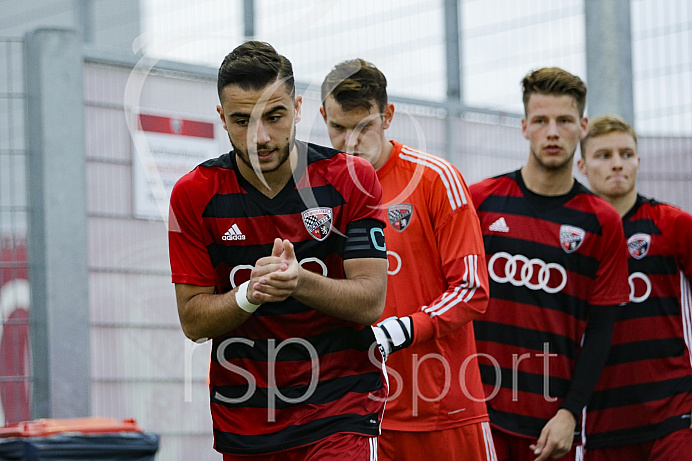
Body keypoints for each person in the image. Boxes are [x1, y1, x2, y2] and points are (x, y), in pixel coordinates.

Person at [168, 42, 390, 460]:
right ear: (221, 118)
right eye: (241, 120)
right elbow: (194, 321)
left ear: (298, 108)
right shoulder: (193, 194)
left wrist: (299, 281)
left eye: (274, 116)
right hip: (247, 415)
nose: (261, 137)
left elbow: (370, 301)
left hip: (341, 407)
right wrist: (248, 294)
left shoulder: (350, 179)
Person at [320, 58, 496, 461]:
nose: (350, 141)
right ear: (322, 117)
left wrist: (403, 329)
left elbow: (472, 289)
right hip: (358, 414)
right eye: (338, 128)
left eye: (363, 127)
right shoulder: (319, 193)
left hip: (445, 410)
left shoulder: (435, 178)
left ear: (388, 116)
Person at [469, 67, 630, 461]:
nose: (553, 132)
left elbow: (601, 332)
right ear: (525, 127)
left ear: (583, 126)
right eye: (541, 121)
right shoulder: (480, 202)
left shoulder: (602, 221)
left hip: (550, 429)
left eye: (564, 121)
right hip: (477, 416)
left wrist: (570, 412)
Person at [577, 114, 692, 461]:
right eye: (604, 156)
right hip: (598, 421)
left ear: (639, 161)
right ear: (581, 165)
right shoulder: (571, 237)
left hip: (673, 415)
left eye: (626, 154)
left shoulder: (673, 225)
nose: (617, 164)